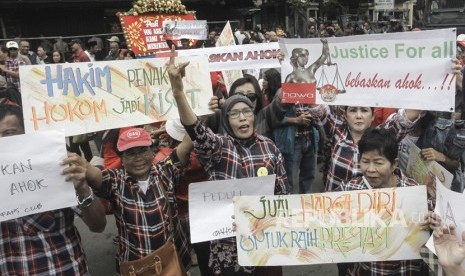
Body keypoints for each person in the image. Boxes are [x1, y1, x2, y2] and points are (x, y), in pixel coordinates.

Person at [167, 46, 289, 275]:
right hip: (227, 246)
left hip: (263, 243)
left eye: (247, 111)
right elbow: (194, 128)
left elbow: (282, 194)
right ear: (226, 119)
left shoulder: (269, 147)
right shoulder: (219, 147)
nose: (242, 117)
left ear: (254, 115)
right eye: (234, 113)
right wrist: (178, 92)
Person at [62, 127, 193, 273]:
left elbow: (188, 141)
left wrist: (201, 114)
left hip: (173, 259)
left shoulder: (165, 170)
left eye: (143, 151)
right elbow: (85, 167)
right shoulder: (115, 181)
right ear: (122, 159)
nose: (138, 158)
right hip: (135, 266)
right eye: (130, 154)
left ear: (152, 151)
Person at [0, 101, 107, 275]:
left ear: (27, 135)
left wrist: (83, 189)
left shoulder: (57, 169)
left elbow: (99, 225)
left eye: (9, 134)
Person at [342, 128, 430, 275]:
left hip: (406, 270)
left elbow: (429, 238)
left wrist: (432, 223)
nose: (370, 169)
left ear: (394, 164)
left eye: (378, 163)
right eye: (365, 161)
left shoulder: (414, 193)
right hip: (366, 270)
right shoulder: (349, 190)